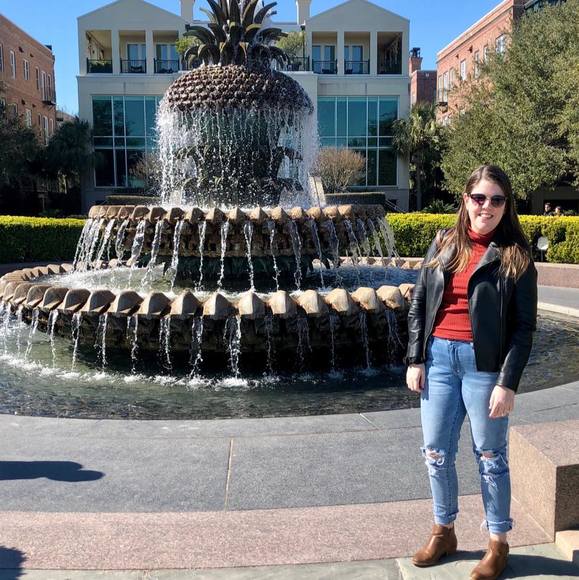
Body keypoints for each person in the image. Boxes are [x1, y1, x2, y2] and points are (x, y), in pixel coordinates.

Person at [406, 164, 537, 579]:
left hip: (485, 368)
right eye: (479, 197)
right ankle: (444, 531)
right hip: (439, 361)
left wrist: (507, 383)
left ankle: (498, 542)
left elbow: (524, 328)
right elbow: (420, 302)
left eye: (496, 200)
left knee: (490, 456)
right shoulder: (443, 243)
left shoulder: (516, 257)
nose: (487, 206)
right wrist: (415, 358)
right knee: (435, 452)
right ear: (465, 200)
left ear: (505, 205)